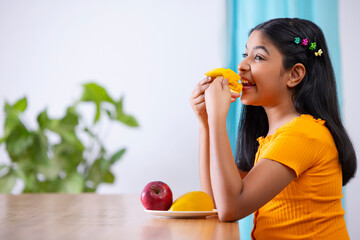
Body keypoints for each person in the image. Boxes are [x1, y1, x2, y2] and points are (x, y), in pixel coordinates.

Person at [190, 18, 357, 240]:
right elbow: (215, 205)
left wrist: (217, 119)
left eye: (258, 57)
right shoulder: (274, 137)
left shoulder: (302, 134)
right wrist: (205, 122)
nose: (242, 66)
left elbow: (230, 208)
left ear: (294, 75)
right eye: (245, 55)